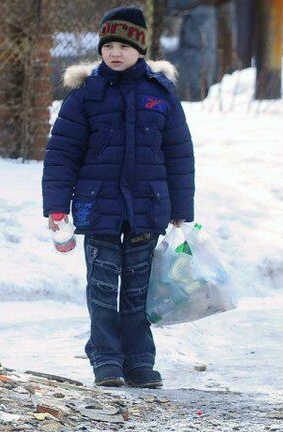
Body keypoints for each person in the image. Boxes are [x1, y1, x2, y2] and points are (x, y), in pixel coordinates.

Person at [42, 6, 195, 388]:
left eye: (124, 45)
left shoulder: (160, 93)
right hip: (98, 207)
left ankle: (140, 361)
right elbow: (61, 154)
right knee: (103, 286)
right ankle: (107, 360)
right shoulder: (85, 95)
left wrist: (180, 208)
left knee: (139, 290)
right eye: (108, 45)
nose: (115, 52)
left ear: (140, 49)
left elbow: (179, 153)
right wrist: (57, 206)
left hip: (147, 206)